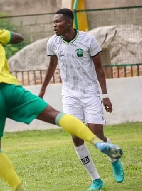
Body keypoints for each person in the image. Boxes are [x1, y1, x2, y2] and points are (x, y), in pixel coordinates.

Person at [0, 3, 123, 191]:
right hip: (11, 88)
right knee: (55, 115)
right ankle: (97, 149)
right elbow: (18, 38)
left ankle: (20, 189)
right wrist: (1, 39)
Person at [38, 8, 124, 191]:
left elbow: (100, 69)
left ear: (69, 23)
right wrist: (43, 90)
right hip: (70, 94)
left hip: (90, 92)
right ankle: (96, 180)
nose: (54, 25)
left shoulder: (88, 40)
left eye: (58, 22)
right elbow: (52, 66)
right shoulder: (53, 42)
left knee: (96, 134)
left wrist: (105, 96)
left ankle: (113, 157)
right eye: (53, 22)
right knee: (76, 136)